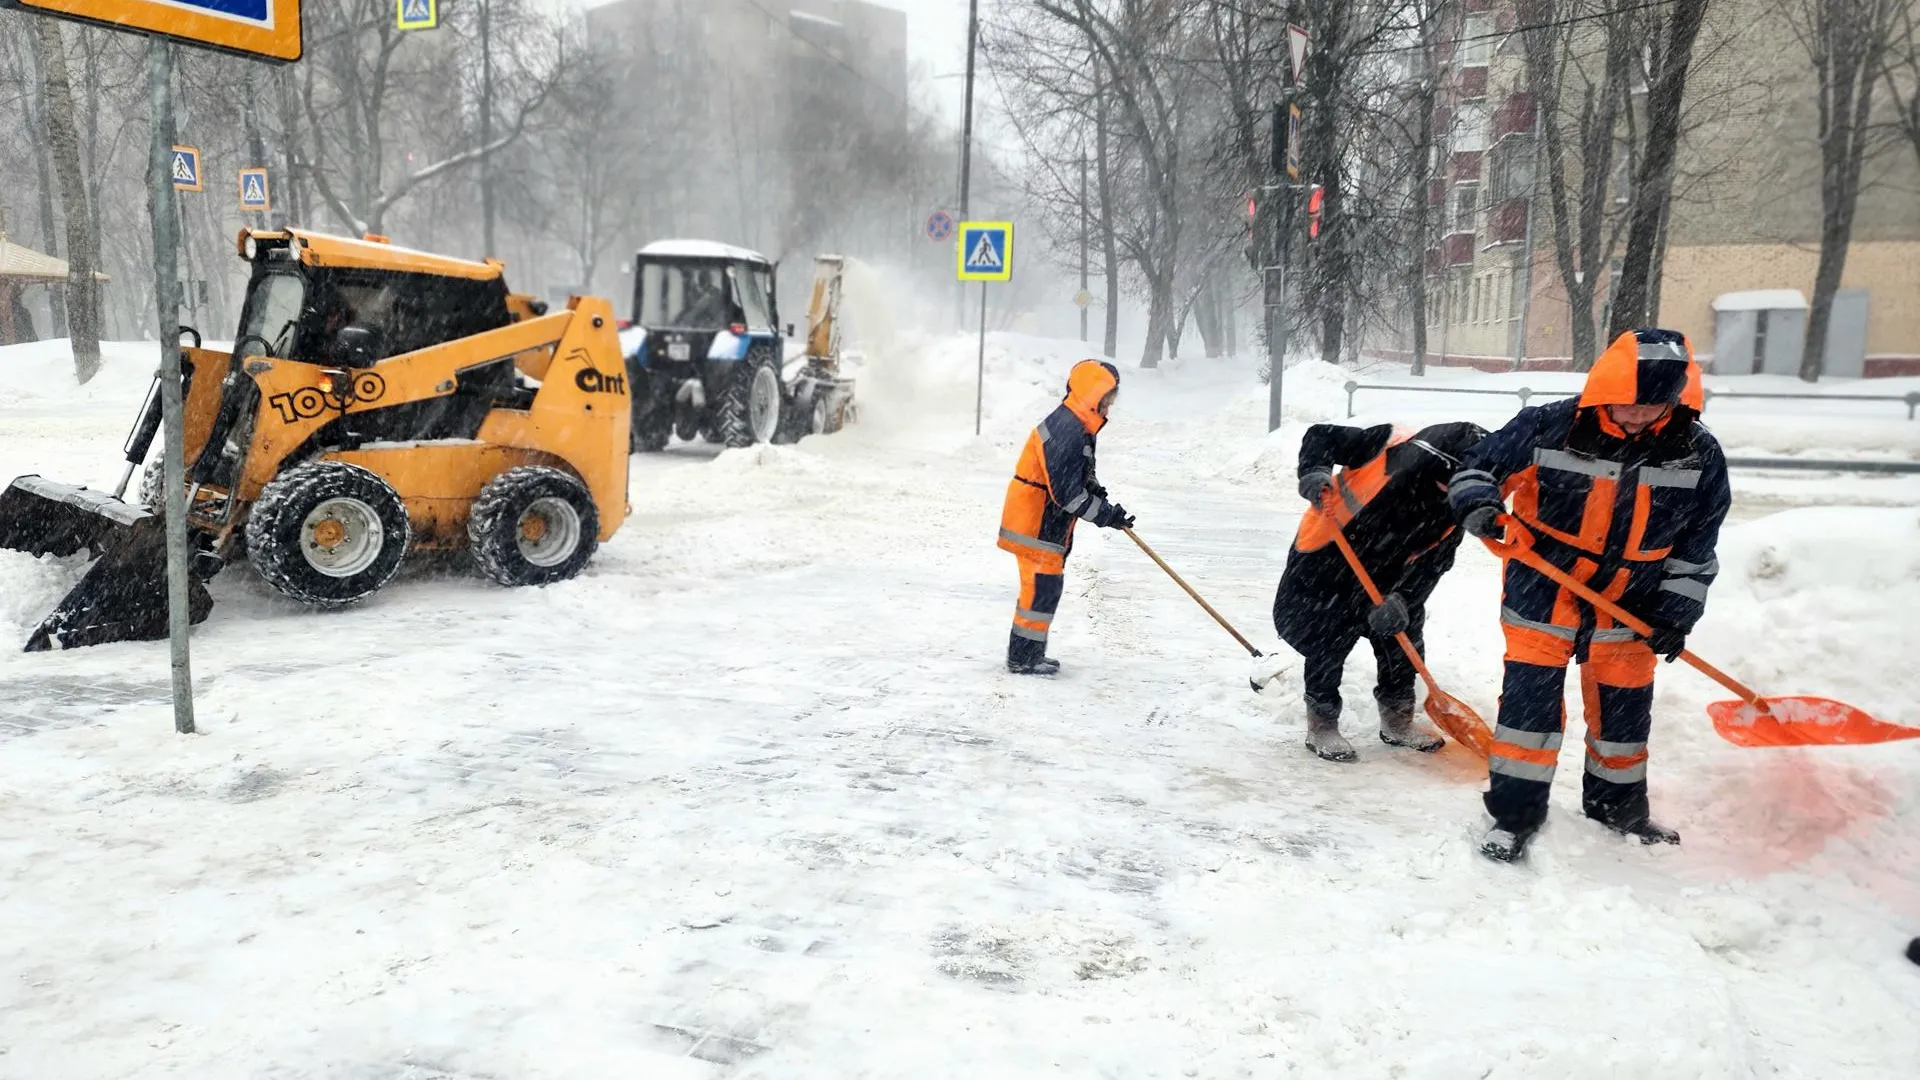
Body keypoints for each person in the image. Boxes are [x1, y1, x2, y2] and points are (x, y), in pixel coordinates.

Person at [1449, 328, 1731, 862]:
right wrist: (1479, 504)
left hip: (1633, 601)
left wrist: (1676, 612)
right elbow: (1476, 467)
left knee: (1624, 716)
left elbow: (1698, 542)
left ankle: (1618, 810)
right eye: (1628, 405)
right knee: (1528, 715)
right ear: (1604, 390)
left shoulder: (1696, 451)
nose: (1638, 417)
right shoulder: (1551, 426)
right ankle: (1515, 817)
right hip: (1544, 589)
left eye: (1653, 407)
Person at [1276, 420, 1489, 761]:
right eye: (1437, 482)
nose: (1440, 491)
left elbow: (1436, 560)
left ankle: (1397, 722)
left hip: (1392, 577)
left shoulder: (1460, 500)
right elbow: (1321, 436)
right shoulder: (1386, 444)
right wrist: (1314, 472)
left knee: (1403, 645)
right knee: (1327, 644)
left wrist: (1403, 599)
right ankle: (1322, 724)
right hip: (1333, 558)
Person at [997, 359, 1132, 675]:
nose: (1111, 402)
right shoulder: (1067, 429)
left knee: (1045, 589)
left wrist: (1103, 501)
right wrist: (1104, 516)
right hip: (1036, 524)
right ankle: (1022, 658)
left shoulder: (1078, 423)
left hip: (1046, 523)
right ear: (1092, 393)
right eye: (1108, 395)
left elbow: (1079, 476)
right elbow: (1067, 493)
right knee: (1039, 590)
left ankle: (1030, 654)